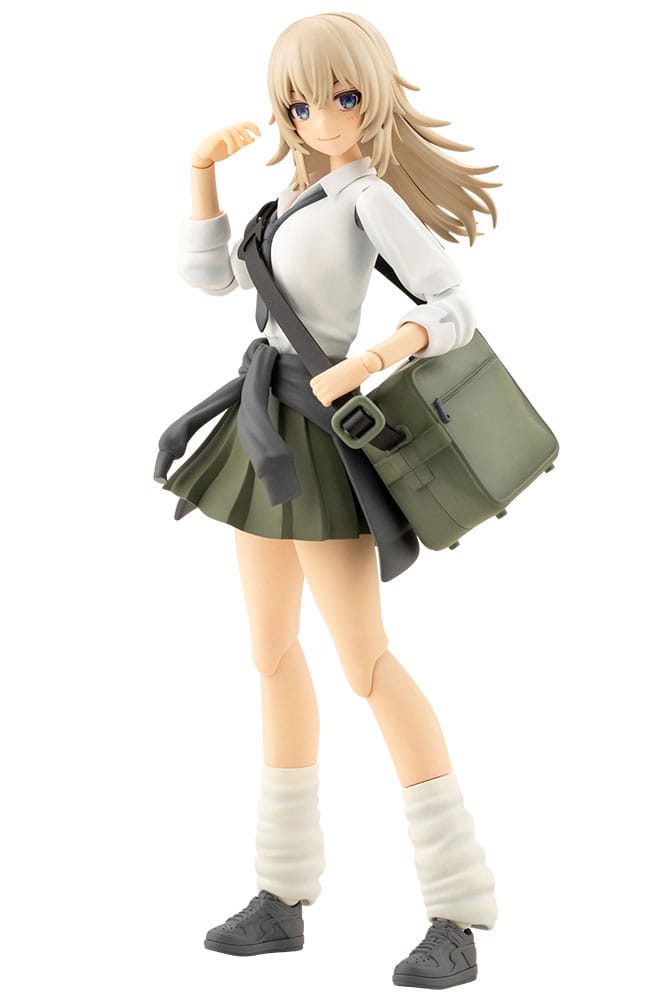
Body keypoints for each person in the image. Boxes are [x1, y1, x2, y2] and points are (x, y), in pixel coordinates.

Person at [156, 12, 499, 990]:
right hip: (260, 427)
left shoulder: (367, 198)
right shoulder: (291, 197)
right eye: (301, 103)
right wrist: (199, 174)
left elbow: (450, 305)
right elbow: (208, 279)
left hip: (317, 430)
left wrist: (377, 356)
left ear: (371, 98)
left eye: (341, 97)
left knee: (366, 662)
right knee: (269, 652)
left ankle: (456, 907)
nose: (321, 116)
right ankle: (281, 893)